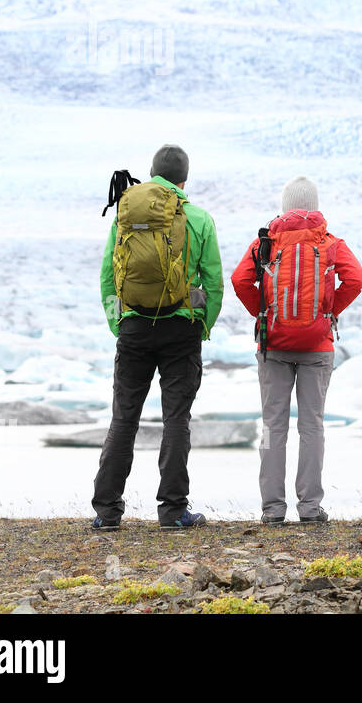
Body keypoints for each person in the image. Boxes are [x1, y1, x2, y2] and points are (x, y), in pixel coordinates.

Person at [92, 144, 223, 531]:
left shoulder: (125, 216)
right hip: (180, 330)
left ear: (152, 174)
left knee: (124, 419)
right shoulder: (198, 218)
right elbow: (213, 283)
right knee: (176, 420)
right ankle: (172, 512)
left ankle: (107, 511)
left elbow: (106, 278)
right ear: (185, 179)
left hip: (133, 327)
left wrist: (120, 323)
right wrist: (201, 326)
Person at [230, 176, 362, 524]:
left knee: (273, 426)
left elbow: (240, 280)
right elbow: (356, 279)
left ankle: (273, 510)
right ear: (315, 206)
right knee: (312, 426)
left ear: (285, 206)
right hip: (318, 346)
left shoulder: (266, 242)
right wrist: (329, 312)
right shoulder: (331, 242)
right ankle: (309, 508)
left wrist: (263, 315)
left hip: (273, 343)